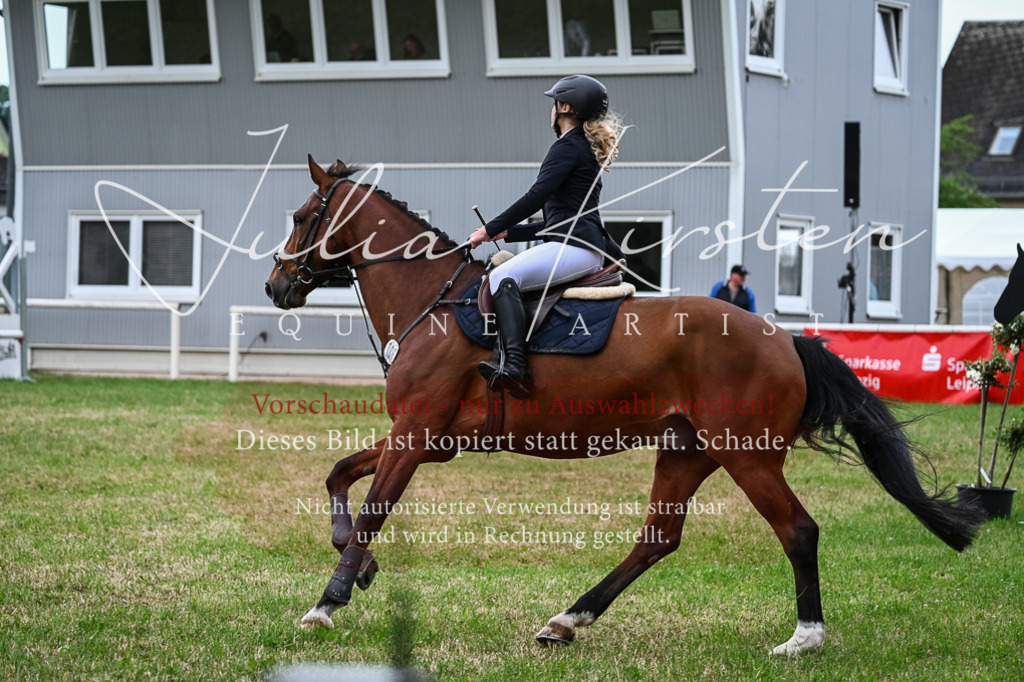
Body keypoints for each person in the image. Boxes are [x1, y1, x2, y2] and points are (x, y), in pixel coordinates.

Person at [468, 74, 626, 398]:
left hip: (575, 247)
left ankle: (515, 366)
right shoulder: (583, 149)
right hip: (579, 244)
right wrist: (506, 231)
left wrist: (487, 228)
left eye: (554, 104)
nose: (551, 111)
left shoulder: (567, 147)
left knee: (502, 276)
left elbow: (536, 197)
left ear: (565, 107)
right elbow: (557, 221)